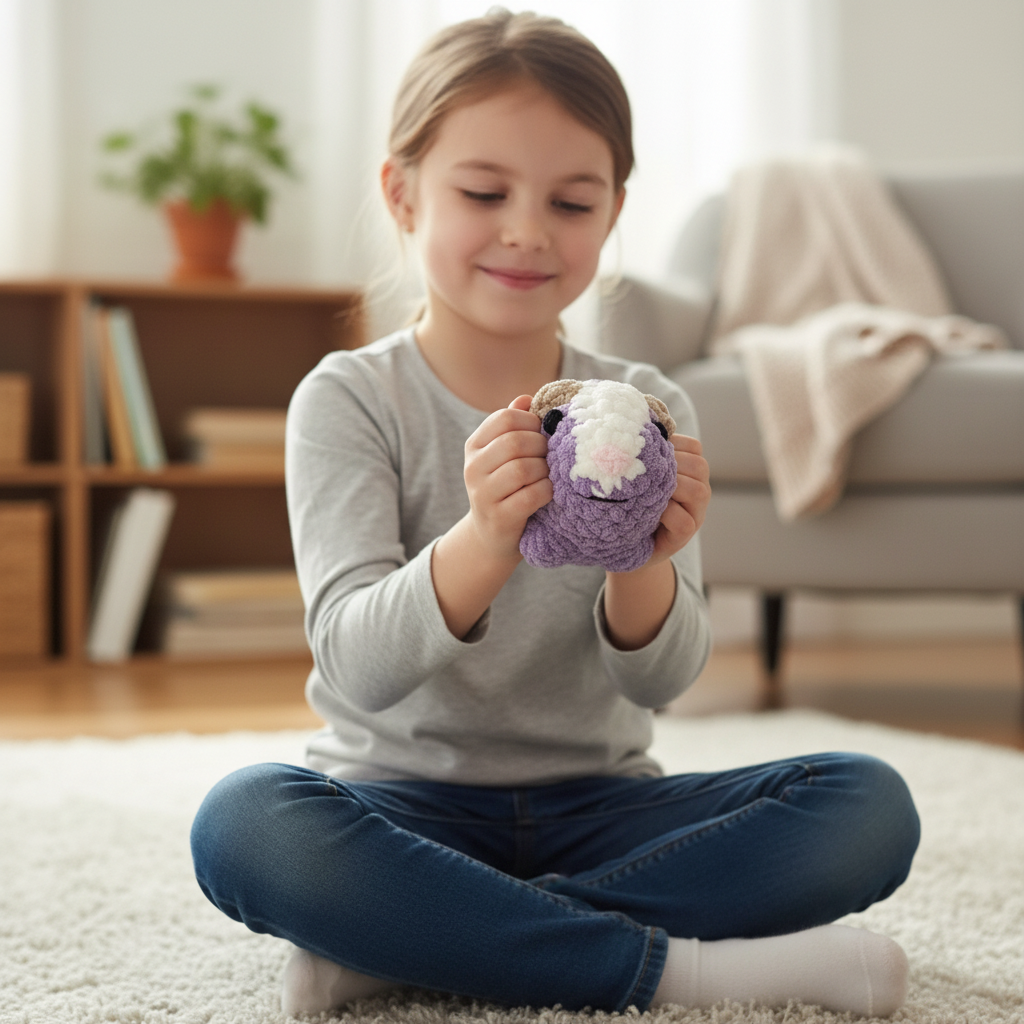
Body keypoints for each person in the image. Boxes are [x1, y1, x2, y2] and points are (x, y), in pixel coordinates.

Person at [190, 9, 919, 1019]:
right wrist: (486, 537)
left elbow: (660, 678)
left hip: (603, 803)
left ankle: (416, 942)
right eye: (483, 192)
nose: (527, 230)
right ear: (401, 193)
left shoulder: (650, 400)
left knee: (866, 807)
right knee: (245, 825)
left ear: (614, 212)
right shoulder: (349, 397)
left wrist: (645, 559)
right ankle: (679, 972)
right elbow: (356, 662)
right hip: (398, 801)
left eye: (571, 202)